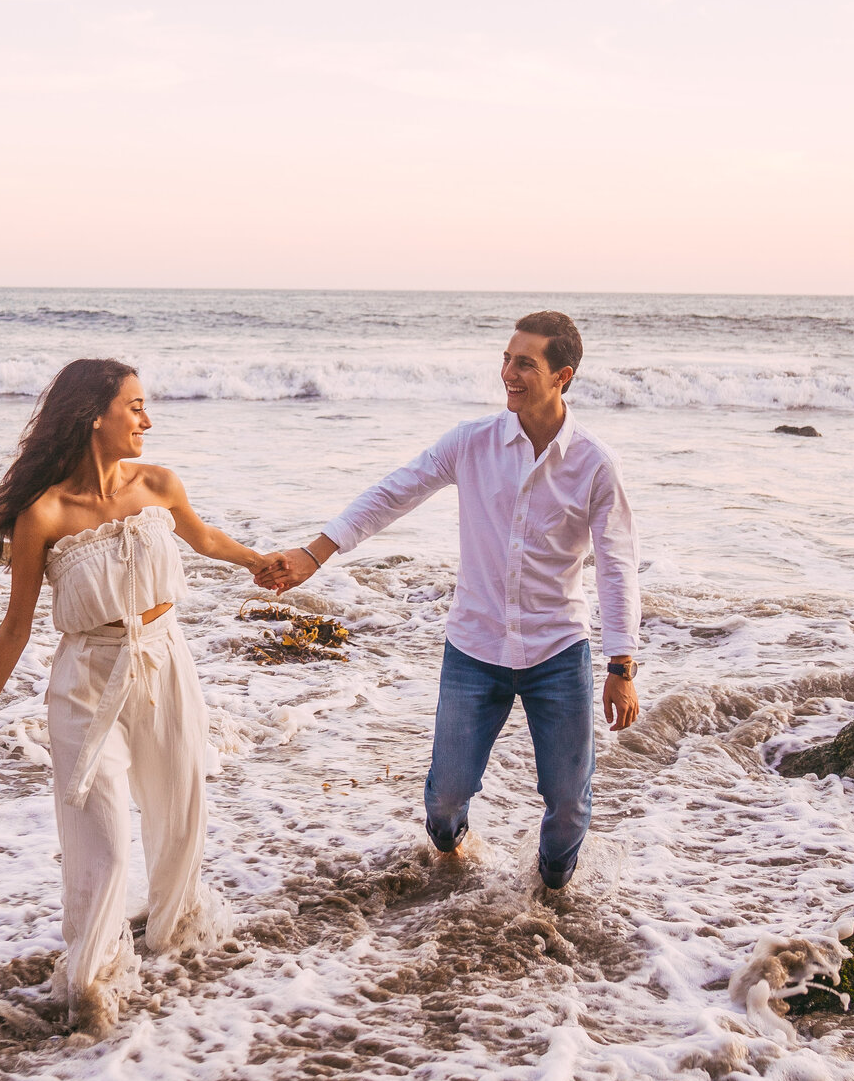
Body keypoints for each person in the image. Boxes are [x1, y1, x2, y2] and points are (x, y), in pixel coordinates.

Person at [259, 310, 640, 890]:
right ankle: (457, 859)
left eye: (525, 364)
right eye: (506, 359)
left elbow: (617, 565)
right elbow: (394, 493)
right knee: (443, 800)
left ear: (562, 376)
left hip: (558, 651)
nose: (508, 373)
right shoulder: (472, 442)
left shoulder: (594, 463)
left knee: (568, 808)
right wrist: (316, 552)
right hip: (475, 647)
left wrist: (622, 665)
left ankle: (551, 892)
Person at [0, 357, 269, 1032]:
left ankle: (171, 956)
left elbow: (204, 537)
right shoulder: (45, 513)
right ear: (96, 414)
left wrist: (261, 563)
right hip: (85, 682)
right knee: (106, 846)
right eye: (135, 406)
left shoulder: (159, 483)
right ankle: (90, 988)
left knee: (181, 817)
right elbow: (16, 625)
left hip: (164, 663)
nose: (147, 420)